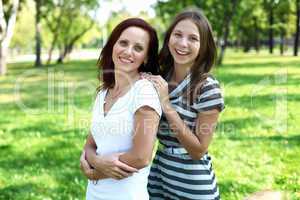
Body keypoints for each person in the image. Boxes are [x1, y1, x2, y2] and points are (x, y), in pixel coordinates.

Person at [142, 9, 225, 200]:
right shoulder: (162, 77)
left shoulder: (207, 87)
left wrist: (166, 104)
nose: (182, 43)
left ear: (203, 45)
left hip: (193, 186)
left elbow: (198, 150)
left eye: (193, 38)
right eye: (177, 35)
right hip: (158, 178)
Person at [79, 18, 162, 200]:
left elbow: (141, 157)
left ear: (146, 57)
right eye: (123, 43)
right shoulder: (103, 93)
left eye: (138, 48)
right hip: (94, 195)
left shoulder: (144, 91)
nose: (128, 51)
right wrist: (94, 160)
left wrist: (95, 172)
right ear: (113, 45)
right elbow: (91, 145)